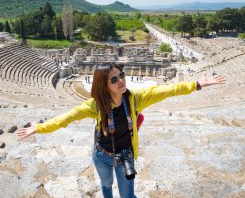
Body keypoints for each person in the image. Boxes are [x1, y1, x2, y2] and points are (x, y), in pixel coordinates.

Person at [16, 63, 225, 198]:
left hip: (125, 157)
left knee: (128, 196)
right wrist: (40, 128)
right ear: (103, 85)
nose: (121, 80)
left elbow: (167, 90)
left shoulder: (135, 99)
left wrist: (197, 84)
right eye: (114, 79)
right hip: (102, 156)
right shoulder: (96, 106)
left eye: (121, 75)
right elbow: (67, 118)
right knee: (106, 186)